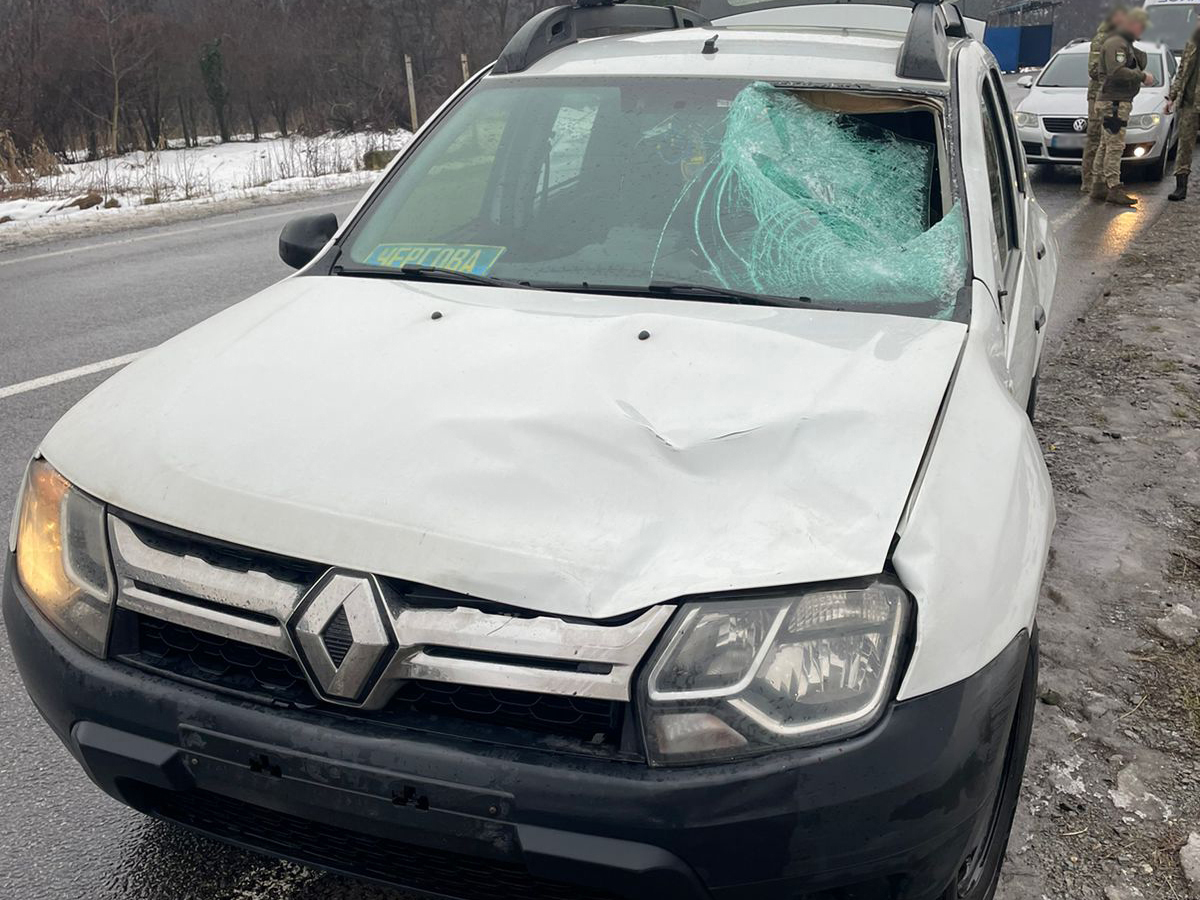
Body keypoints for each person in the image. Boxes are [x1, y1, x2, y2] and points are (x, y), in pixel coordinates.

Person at [1090, 7, 1154, 206]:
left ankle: (1098, 185)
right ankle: (1113, 187)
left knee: (1105, 144)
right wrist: (1142, 76)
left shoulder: (1123, 43)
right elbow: (1116, 71)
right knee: (1115, 146)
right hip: (1115, 103)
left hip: (1114, 101)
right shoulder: (1117, 43)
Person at [1084, 6, 1128, 193]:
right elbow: (1094, 70)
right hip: (1099, 94)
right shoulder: (1102, 39)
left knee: (1106, 139)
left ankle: (1100, 181)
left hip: (1112, 96)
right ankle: (1089, 181)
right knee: (1095, 138)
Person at [1165, 22, 1200, 200]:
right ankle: (1181, 186)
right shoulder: (1191, 43)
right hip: (1190, 102)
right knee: (1184, 144)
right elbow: (1181, 72)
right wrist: (1172, 96)